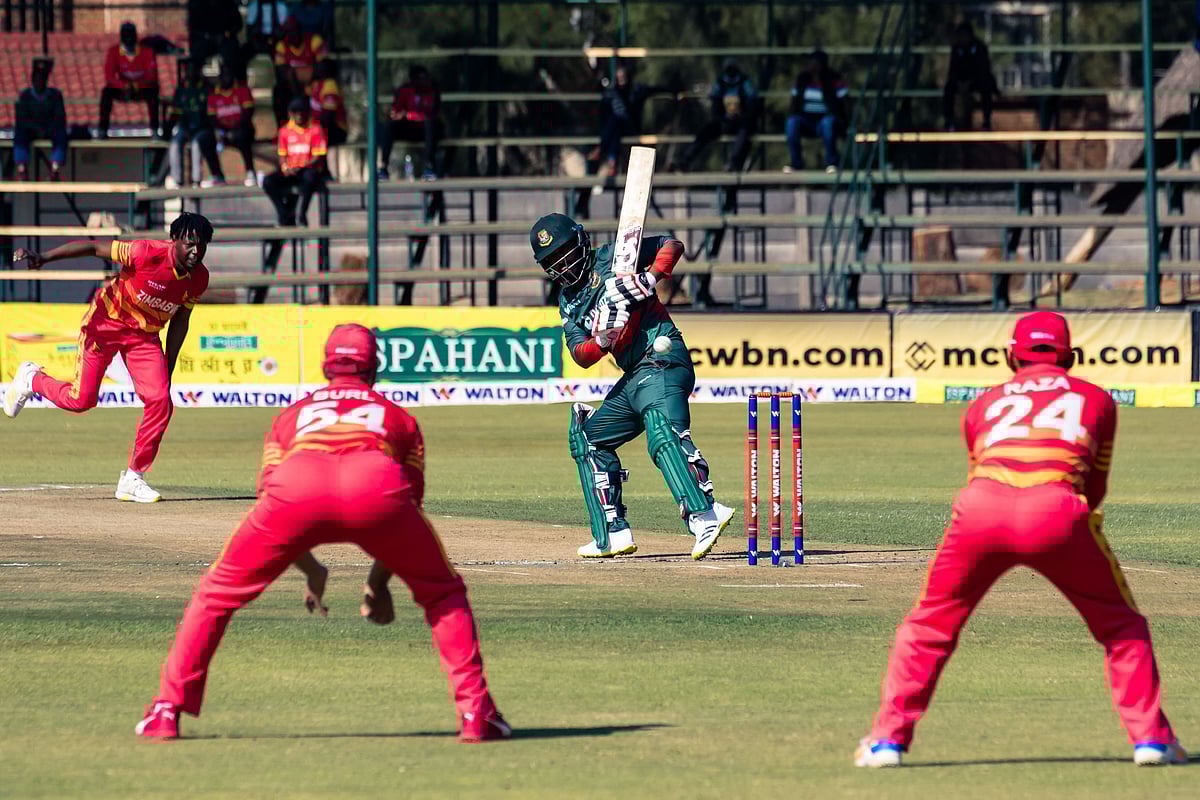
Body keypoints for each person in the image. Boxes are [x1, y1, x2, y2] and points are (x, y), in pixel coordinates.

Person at [134, 323, 510, 742]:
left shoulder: (290, 417)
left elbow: (274, 505)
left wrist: (313, 570)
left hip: (296, 487)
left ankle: (166, 711)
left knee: (214, 598)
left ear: (326, 366)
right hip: (375, 486)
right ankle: (476, 714)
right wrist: (376, 584)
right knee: (443, 593)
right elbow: (406, 507)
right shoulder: (398, 417)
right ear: (374, 368)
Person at [855, 312, 1187, 769]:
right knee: (1122, 627)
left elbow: (978, 469)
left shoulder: (983, 402)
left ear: (1013, 355)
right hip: (1058, 510)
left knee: (929, 627)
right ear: (1068, 354)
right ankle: (1151, 739)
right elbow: (1095, 488)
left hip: (981, 510)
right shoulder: (1096, 399)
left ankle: (886, 742)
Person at [528, 213, 736, 559]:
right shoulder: (568, 300)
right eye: (553, 262)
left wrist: (649, 279)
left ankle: (706, 514)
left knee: (661, 429)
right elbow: (581, 354)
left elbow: (671, 245)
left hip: (663, 358)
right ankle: (613, 534)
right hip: (635, 376)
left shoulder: (617, 256)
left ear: (581, 242)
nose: (563, 266)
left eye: (565, 253)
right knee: (589, 438)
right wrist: (604, 338)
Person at [4, 213, 213, 504]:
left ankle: (133, 478)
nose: (196, 252)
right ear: (174, 240)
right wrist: (44, 257)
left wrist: (169, 365)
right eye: (190, 244)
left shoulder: (199, 278)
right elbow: (92, 247)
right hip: (105, 325)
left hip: (144, 337)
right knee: (81, 401)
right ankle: (31, 379)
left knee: (161, 401)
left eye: (202, 246)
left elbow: (181, 321)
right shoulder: (145, 252)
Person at [592, 61, 673, 185]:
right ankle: (611, 161)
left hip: (630, 128)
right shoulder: (611, 93)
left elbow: (656, 89)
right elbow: (602, 115)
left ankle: (601, 149)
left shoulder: (636, 90)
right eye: (619, 78)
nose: (621, 80)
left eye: (623, 77)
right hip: (615, 131)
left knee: (615, 121)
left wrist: (675, 91)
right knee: (615, 124)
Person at [671, 59, 757, 173]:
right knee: (705, 132)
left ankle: (733, 163)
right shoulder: (721, 82)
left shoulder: (744, 82)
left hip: (741, 123)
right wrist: (722, 119)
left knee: (744, 133)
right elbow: (715, 104)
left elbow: (752, 103)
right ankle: (685, 161)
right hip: (724, 122)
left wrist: (742, 116)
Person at [263, 97, 326, 227]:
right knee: (268, 181)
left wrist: (301, 167)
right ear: (290, 114)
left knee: (310, 177)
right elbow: (282, 155)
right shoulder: (284, 131)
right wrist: (285, 168)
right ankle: (284, 214)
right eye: (295, 112)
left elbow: (317, 157)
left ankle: (302, 213)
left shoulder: (315, 129)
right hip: (291, 171)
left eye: (302, 112)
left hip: (307, 170)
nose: (299, 115)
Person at [785, 50, 849, 173]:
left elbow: (845, 102)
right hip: (806, 121)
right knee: (792, 122)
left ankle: (832, 163)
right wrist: (793, 114)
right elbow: (794, 102)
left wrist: (846, 122)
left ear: (819, 64)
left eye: (811, 61)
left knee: (827, 123)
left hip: (827, 120)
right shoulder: (802, 79)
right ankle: (796, 163)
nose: (808, 64)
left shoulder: (834, 79)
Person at [378, 65, 442, 180]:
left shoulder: (433, 90)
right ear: (413, 79)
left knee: (430, 124)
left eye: (425, 77)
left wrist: (408, 115)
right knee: (388, 126)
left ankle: (429, 167)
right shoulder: (404, 90)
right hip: (409, 128)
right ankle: (383, 167)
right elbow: (396, 113)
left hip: (426, 130)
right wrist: (396, 114)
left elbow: (431, 114)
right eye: (420, 78)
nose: (424, 81)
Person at [99, 22, 161, 138]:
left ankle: (155, 130)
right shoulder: (113, 52)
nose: (128, 39)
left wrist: (136, 85)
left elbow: (152, 77)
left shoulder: (147, 52)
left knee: (153, 92)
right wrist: (123, 86)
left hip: (142, 89)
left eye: (131, 35)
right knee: (106, 92)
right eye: (126, 35)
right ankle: (102, 130)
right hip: (123, 89)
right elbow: (109, 77)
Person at [202, 63, 258, 187]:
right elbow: (212, 118)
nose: (225, 78)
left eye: (228, 75)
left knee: (243, 136)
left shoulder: (242, 90)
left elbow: (248, 113)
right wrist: (221, 131)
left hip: (242, 129)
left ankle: (250, 172)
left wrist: (234, 130)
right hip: (223, 132)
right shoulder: (214, 94)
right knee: (205, 138)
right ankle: (217, 175)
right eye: (223, 75)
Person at [13, 57, 67, 181]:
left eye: (42, 79)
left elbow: (60, 117)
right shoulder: (25, 96)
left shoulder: (55, 95)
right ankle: (22, 170)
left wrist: (47, 129)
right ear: (32, 80)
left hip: (50, 129)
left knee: (61, 135)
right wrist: (36, 128)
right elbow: (21, 119)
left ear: (46, 80)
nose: (39, 82)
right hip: (31, 129)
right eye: (37, 79)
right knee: (20, 135)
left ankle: (55, 169)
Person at [165, 59, 215, 188]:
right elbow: (176, 113)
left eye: (193, 70)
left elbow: (211, 115)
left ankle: (196, 181)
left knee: (196, 144)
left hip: (202, 128)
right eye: (188, 70)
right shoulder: (181, 90)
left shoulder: (207, 89)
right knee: (175, 143)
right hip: (185, 127)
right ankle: (177, 180)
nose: (190, 73)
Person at [943, 21, 999, 131]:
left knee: (986, 87)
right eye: (960, 35)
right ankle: (949, 121)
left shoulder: (980, 47)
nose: (962, 38)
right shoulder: (956, 48)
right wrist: (958, 83)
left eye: (964, 35)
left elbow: (983, 70)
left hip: (977, 81)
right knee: (948, 88)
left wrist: (970, 82)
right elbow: (952, 69)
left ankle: (986, 121)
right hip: (960, 82)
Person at [272, 16, 327, 126]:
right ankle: (283, 129)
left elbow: (323, 68)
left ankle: (320, 129)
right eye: (288, 32)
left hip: (313, 83)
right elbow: (283, 73)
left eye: (294, 30)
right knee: (279, 91)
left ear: (300, 30)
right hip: (293, 86)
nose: (292, 35)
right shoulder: (281, 45)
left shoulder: (314, 40)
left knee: (325, 86)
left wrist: (298, 74)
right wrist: (297, 88)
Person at [308, 58, 347, 147]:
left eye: (321, 66)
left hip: (336, 129)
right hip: (322, 128)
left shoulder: (330, 85)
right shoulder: (318, 84)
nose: (317, 67)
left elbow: (328, 115)